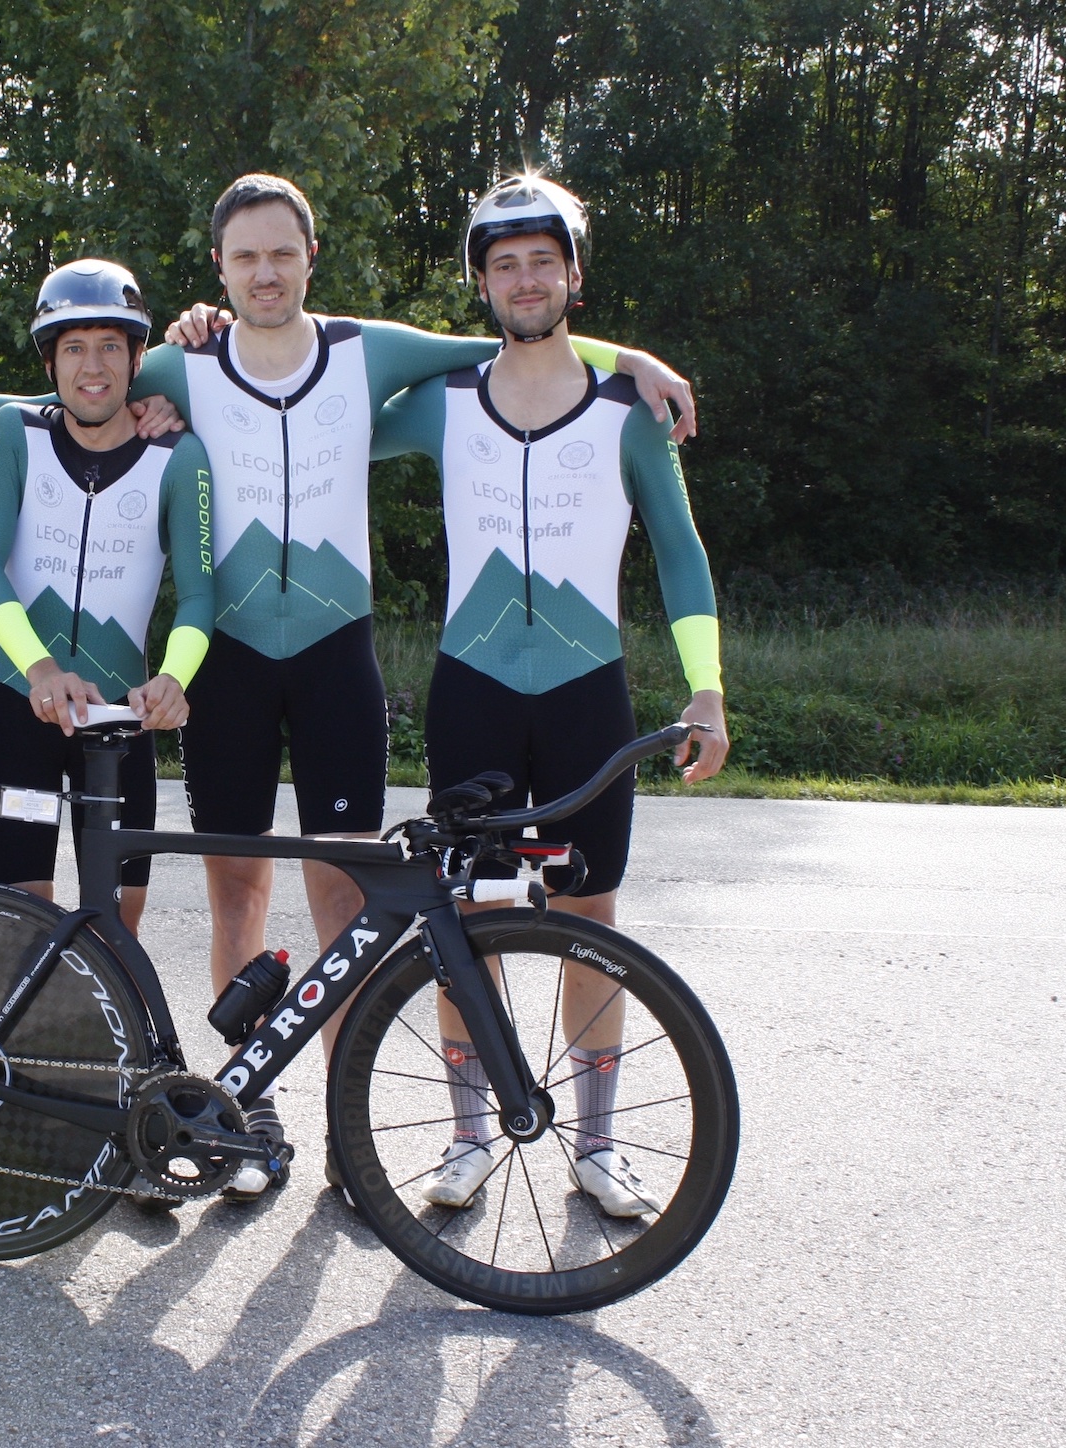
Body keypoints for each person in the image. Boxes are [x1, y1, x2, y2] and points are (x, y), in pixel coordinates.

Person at [0, 173, 697, 1203]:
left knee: (347, 895)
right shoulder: (179, 356)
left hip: (334, 658)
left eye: (282, 253)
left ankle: (348, 1138)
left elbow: (516, 342)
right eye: (244, 257)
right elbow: (35, 400)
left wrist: (631, 359)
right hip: (225, 665)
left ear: (312, 258)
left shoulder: (370, 350)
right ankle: (247, 1111)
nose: (265, 272)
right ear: (218, 269)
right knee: (234, 889)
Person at [370, 174, 729, 1215]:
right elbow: (316, 407)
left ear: (573, 273)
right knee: (467, 918)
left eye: (543, 260)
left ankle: (600, 1142)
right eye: (503, 263)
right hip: (472, 692)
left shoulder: (631, 411)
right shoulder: (441, 404)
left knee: (588, 915)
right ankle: (470, 1130)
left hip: (584, 692)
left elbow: (681, 551)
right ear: (481, 282)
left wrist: (705, 689)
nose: (524, 279)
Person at [0, 261, 215, 929]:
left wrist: (173, 677)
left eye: (110, 344)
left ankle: (106, 1038)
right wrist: (39, 669)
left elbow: (197, 595)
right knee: (22, 922)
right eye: (73, 347)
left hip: (121, 722)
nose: (92, 366)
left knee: (115, 931)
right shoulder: (16, 433)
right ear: (49, 363)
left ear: (138, 359)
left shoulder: (178, 455)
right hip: (21, 710)